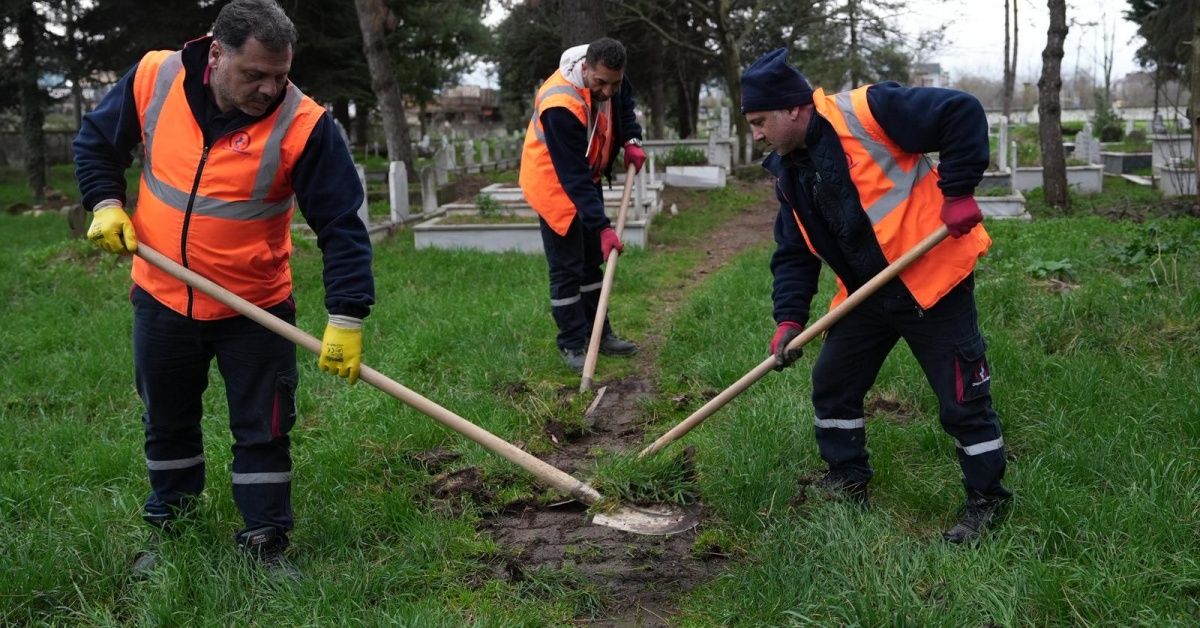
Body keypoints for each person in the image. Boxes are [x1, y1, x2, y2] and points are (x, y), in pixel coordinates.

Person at [74, 0, 374, 575]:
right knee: (167, 421)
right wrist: (107, 203)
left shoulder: (304, 124)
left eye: (280, 76)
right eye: (254, 74)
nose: (269, 89)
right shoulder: (154, 78)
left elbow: (341, 223)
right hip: (162, 295)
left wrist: (348, 315)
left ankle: (265, 538)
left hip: (255, 308)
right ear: (216, 54)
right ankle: (172, 526)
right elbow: (95, 143)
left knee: (263, 428)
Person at [740, 48, 1012, 543]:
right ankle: (846, 481)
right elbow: (794, 252)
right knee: (833, 383)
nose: (755, 133)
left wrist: (958, 192)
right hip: (866, 294)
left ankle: (986, 502)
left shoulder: (869, 113)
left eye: (760, 121)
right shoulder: (789, 172)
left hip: (932, 283)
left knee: (962, 398)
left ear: (794, 109)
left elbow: (962, 111)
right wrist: (788, 320)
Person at [519, 37, 647, 372]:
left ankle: (599, 334)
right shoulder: (560, 105)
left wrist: (631, 139)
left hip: (584, 175)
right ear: (585, 68)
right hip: (554, 181)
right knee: (567, 268)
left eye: (613, 83)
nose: (607, 90)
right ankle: (573, 343)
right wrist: (603, 227)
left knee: (592, 264)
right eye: (600, 83)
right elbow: (571, 175)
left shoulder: (612, 76)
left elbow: (624, 103)